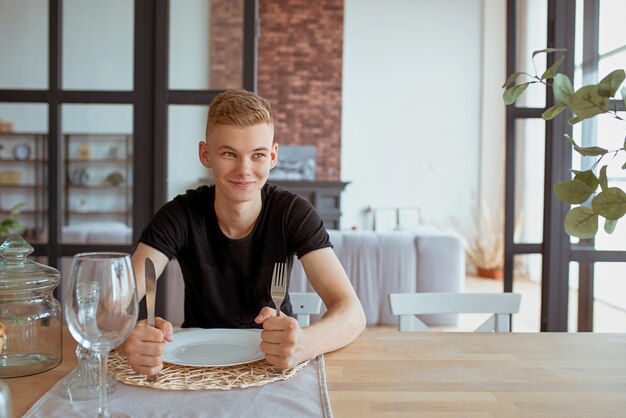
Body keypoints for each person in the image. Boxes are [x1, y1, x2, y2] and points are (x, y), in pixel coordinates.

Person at [118, 89, 366, 374]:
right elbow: (111, 310)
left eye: (257, 155)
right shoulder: (180, 215)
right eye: (228, 153)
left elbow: (352, 313)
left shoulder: (291, 213)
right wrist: (128, 337)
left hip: (273, 363)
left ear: (273, 156)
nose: (244, 170)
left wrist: (306, 343)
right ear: (205, 154)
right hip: (197, 366)